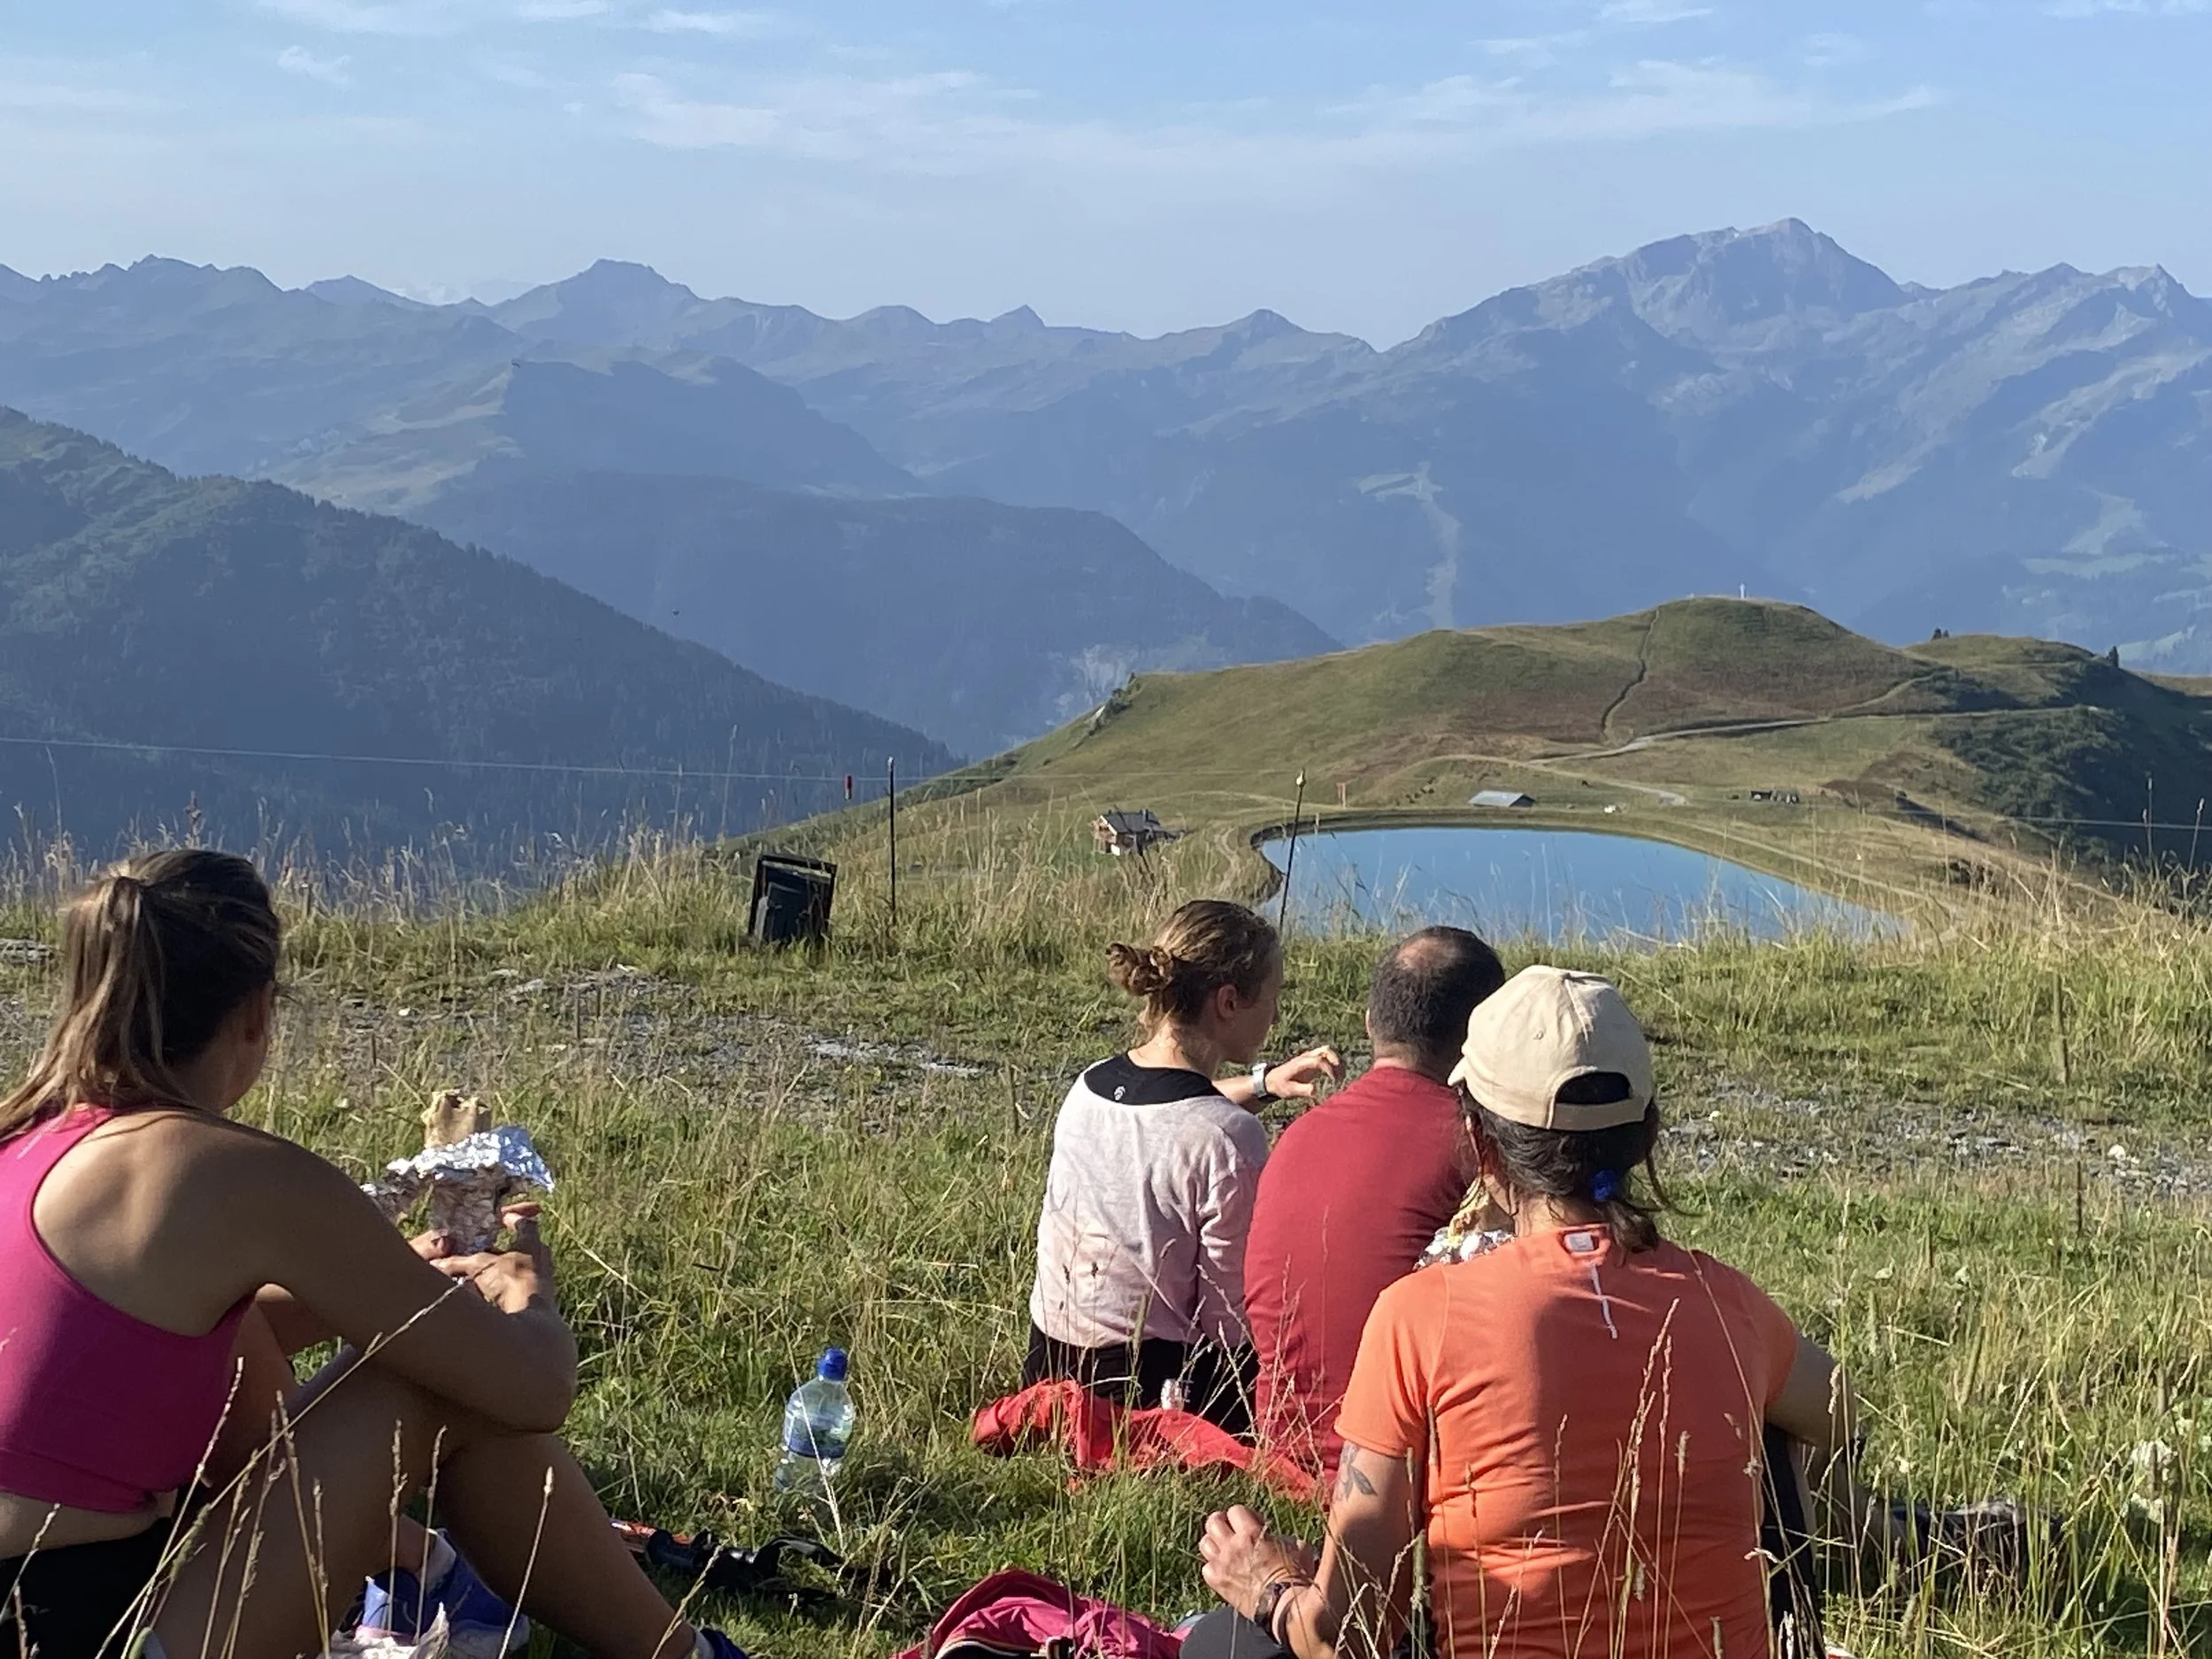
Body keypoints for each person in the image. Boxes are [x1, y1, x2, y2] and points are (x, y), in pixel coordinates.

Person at [0, 851, 752, 1659]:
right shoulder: (227, 1169)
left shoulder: (32, 1143)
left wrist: (379, 1286)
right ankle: (679, 1654)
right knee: (424, 1383)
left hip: (43, 1602)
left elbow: (138, 1348)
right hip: (62, 1627)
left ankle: (439, 1577)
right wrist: (528, 1291)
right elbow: (534, 1388)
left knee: (269, 1348)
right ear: (256, 1011)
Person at [1186, 965, 1858, 1659]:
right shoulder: (1729, 1305)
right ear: (1645, 1136)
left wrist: (1269, 1584)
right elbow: (1837, 1407)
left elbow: (1346, 1636)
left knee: (1218, 1643)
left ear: (1480, 1142)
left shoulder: (1423, 1316)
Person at [1025, 900, 1343, 1432]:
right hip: (1141, 1394)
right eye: (1273, 996)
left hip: (1048, 1367)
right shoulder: (1227, 1137)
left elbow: (1170, 1119)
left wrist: (1263, 1084)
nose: (1278, 1014)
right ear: (1228, 1002)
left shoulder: (1091, 1085)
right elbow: (1227, 1321)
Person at [1243, 927, 1505, 1479]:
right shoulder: (1479, 1147)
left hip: (1279, 1457)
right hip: (1397, 1480)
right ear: (1481, 1038)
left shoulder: (1299, 1135)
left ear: (1370, 1023)